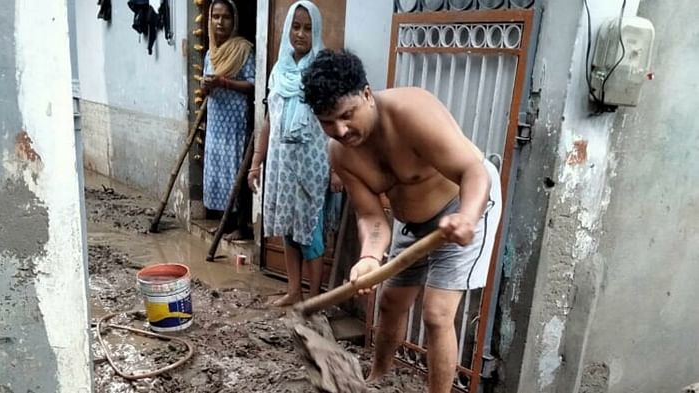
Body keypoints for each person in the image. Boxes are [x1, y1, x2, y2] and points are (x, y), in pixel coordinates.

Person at [301, 49, 502, 393]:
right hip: (412, 224)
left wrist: (467, 217)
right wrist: (368, 258)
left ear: (366, 94)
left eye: (347, 115)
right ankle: (378, 377)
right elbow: (371, 217)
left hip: (466, 204)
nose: (341, 130)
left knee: (437, 314)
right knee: (391, 302)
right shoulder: (339, 153)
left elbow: (473, 171)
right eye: (327, 122)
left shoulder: (412, 111)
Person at [247, 1, 343, 307]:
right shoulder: (279, 69)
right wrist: (255, 163)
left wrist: (338, 169)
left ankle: (313, 299)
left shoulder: (323, 69)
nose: (300, 34)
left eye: (307, 28)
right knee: (288, 230)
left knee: (310, 235)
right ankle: (294, 291)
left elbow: (338, 119)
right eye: (295, 26)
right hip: (280, 164)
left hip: (313, 163)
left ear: (316, 31)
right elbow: (268, 119)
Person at [201, 0, 255, 240]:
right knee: (220, 172)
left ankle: (241, 226)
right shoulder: (210, 54)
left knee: (237, 172)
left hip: (236, 123)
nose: (220, 23)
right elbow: (205, 87)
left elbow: (252, 84)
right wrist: (206, 86)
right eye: (215, 17)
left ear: (234, 21)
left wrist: (223, 82)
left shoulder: (243, 50)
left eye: (225, 17)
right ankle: (226, 222)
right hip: (215, 122)